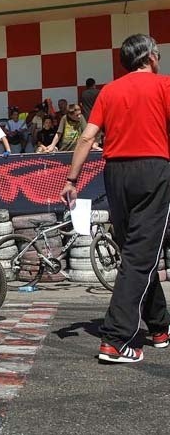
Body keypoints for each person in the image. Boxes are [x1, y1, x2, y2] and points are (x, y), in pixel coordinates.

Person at [60, 34, 170, 364]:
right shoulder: (164, 86)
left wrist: (71, 179)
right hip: (153, 170)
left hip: (116, 174)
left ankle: (160, 327)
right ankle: (115, 339)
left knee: (136, 250)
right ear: (150, 57)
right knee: (141, 255)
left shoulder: (109, 91)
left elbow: (87, 137)